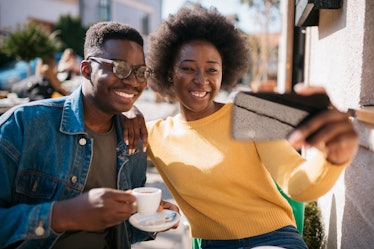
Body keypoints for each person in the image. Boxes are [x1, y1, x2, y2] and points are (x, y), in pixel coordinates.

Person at [139, 5, 358, 249]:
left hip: (274, 238)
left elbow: (296, 181)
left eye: (212, 69)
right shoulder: (153, 134)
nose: (201, 80)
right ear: (169, 73)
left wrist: (331, 160)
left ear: (224, 73)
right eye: (188, 68)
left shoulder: (248, 114)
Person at [0, 21, 178, 249]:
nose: (134, 82)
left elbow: (126, 231)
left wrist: (153, 216)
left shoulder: (133, 136)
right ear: (86, 70)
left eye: (141, 72)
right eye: (119, 68)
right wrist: (61, 215)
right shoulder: (24, 125)